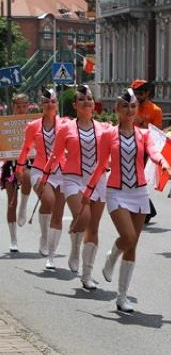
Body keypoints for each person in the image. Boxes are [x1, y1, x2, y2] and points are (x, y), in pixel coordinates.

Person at [81, 88, 171, 312]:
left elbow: (153, 151)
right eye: (125, 106)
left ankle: (122, 297)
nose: (130, 110)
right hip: (115, 192)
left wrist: (162, 162)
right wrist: (88, 191)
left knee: (133, 245)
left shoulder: (144, 134)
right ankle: (112, 257)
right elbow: (101, 164)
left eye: (133, 106)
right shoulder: (108, 135)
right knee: (127, 236)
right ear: (117, 109)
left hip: (139, 192)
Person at [39, 85, 109, 289]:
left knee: (93, 228)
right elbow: (56, 154)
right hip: (72, 179)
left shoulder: (104, 128)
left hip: (97, 181)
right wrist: (45, 175)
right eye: (82, 99)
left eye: (89, 98)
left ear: (94, 104)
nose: (87, 101)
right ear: (75, 105)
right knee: (84, 217)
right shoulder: (66, 129)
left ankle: (86, 275)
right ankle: (75, 245)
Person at [16, 88, 65, 268]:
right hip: (39, 169)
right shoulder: (33, 126)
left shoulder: (66, 124)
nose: (49, 105)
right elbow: (26, 148)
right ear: (41, 105)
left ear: (57, 104)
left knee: (58, 214)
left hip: (62, 171)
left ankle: (51, 253)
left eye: (52, 101)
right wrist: (20, 168)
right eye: (46, 102)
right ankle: (44, 236)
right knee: (48, 200)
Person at [130, 79, 163, 224]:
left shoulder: (155, 110)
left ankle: (146, 210)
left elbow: (156, 134)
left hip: (144, 151)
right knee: (133, 180)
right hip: (129, 148)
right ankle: (147, 210)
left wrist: (142, 124)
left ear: (147, 93)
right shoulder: (130, 107)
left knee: (138, 180)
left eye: (140, 93)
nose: (137, 96)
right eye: (135, 93)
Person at [3, 93, 33, 252]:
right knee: (10, 202)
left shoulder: (34, 123)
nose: (21, 109)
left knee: (27, 176)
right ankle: (13, 239)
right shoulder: (5, 124)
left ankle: (24, 204)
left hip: (29, 162)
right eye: (18, 106)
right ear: (13, 106)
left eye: (24, 106)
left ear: (28, 106)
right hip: (10, 165)